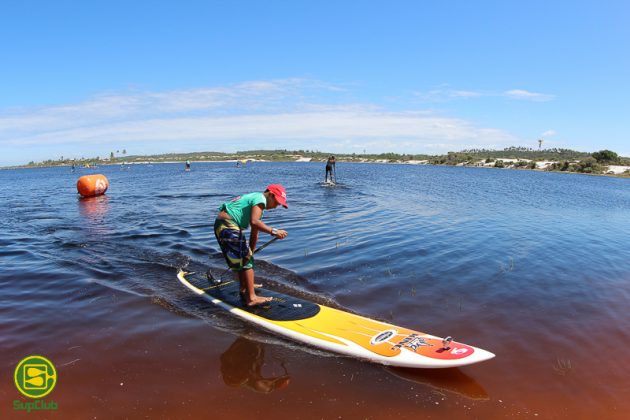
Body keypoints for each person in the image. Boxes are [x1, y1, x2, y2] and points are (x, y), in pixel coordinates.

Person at [214, 184, 288, 306]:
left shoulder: (257, 206)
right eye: (277, 202)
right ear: (270, 194)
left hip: (225, 225)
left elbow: (255, 232)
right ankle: (251, 298)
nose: (276, 206)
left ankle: (245, 287)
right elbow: (254, 222)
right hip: (227, 225)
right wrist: (274, 231)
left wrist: (250, 252)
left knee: (244, 259)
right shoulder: (260, 199)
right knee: (246, 263)